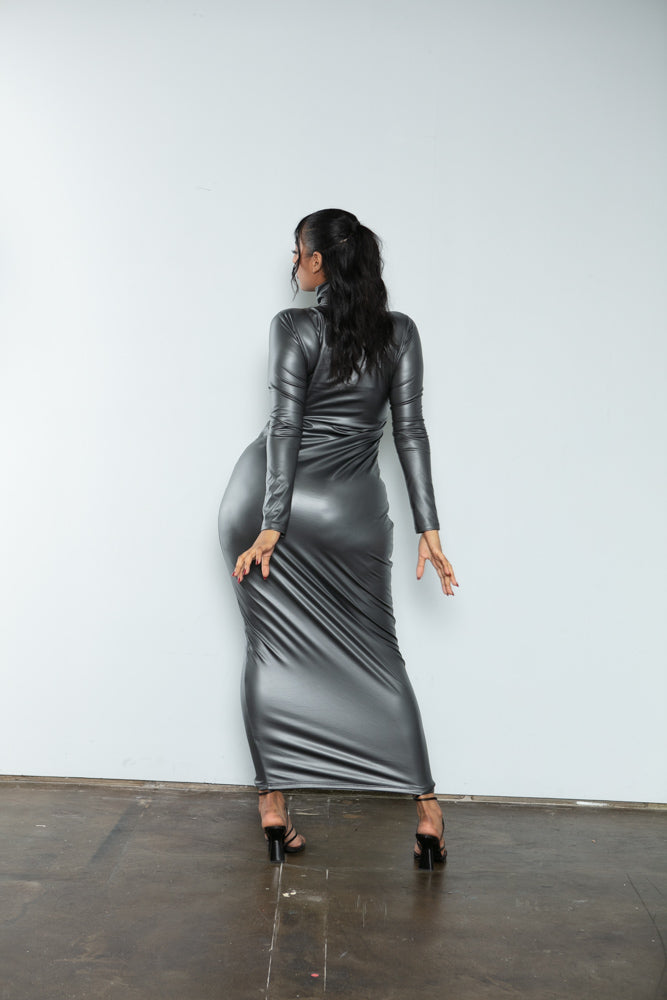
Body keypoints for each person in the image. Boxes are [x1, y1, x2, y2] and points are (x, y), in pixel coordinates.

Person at [218, 208, 458, 869]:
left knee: (269, 648)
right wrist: (429, 527)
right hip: (351, 514)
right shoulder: (399, 333)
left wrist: (271, 525)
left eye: (297, 252)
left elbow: (285, 426)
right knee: (380, 653)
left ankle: (273, 805)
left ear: (319, 261)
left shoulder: (292, 326)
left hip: (265, 506)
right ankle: (427, 811)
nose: (293, 263)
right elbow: (409, 432)